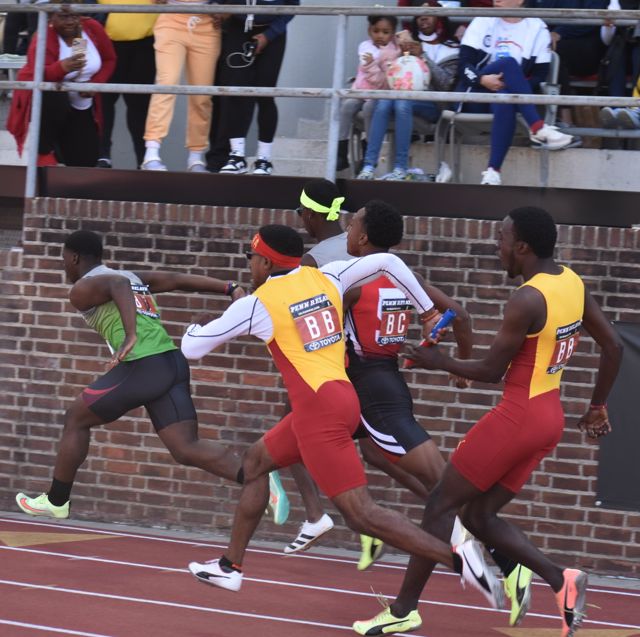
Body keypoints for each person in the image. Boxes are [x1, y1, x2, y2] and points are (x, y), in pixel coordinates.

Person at [181, 223, 504, 610]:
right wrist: (429, 311)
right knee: (255, 462)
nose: (249, 265)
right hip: (338, 399)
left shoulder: (256, 304)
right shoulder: (328, 276)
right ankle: (229, 566)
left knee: (361, 514)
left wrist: (193, 327)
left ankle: (461, 562)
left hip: (320, 412)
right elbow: (387, 261)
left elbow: (192, 349)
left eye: (250, 258)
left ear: (264, 261)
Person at [358, 207, 623, 637]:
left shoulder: (527, 299)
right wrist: (597, 406)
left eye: (500, 239)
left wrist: (438, 360)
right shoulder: (570, 282)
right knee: (479, 516)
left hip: (517, 417)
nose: (495, 247)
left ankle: (405, 607)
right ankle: (561, 580)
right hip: (547, 418)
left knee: (438, 505)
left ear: (521, 246)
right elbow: (613, 346)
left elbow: (492, 371)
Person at [15, 230, 289, 524]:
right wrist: (229, 287)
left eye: (64, 260)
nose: (64, 266)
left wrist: (130, 334)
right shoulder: (131, 276)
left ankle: (57, 501)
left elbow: (117, 285)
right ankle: (257, 474)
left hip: (143, 365)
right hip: (171, 363)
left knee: (75, 418)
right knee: (185, 448)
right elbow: (173, 279)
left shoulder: (83, 288)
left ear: (74, 258)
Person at [455, 0, 577, 186]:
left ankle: (492, 173)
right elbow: (463, 67)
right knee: (509, 64)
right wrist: (482, 80)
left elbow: (539, 76)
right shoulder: (482, 20)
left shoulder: (536, 27)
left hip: (508, 97)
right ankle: (537, 127)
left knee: (505, 98)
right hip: (475, 93)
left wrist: (510, 85)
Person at [357, 1, 459, 181]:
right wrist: (402, 47)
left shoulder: (452, 46)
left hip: (433, 103)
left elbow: (446, 84)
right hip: (400, 96)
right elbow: (393, 72)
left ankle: (400, 167)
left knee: (400, 101)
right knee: (384, 100)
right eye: (419, 14)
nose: (423, 18)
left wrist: (422, 55)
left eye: (429, 13)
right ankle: (368, 165)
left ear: (440, 17)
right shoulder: (406, 43)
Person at [7, 2, 116, 167]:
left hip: (82, 102)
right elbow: (37, 72)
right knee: (53, 93)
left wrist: (95, 83)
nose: (70, 21)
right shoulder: (44, 35)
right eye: (64, 17)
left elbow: (109, 59)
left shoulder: (91, 28)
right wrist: (62, 68)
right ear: (51, 17)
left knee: (86, 159)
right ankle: (44, 151)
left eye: (74, 16)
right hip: (51, 104)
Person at [214, 0, 299, 176]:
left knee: (265, 94)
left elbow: (292, 6)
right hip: (238, 29)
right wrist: (219, 8)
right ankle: (237, 156)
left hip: (272, 33)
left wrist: (269, 35)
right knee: (235, 93)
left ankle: (264, 159)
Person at [140, 0, 223, 172]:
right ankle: (151, 153)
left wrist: (220, 6)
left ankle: (196, 157)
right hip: (172, 17)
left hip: (207, 22)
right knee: (166, 84)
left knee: (202, 94)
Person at [96, 0, 157, 169]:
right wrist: (79, 50)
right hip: (105, 43)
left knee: (140, 107)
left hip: (145, 43)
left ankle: (144, 161)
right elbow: (81, 15)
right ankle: (102, 156)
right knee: (103, 103)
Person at [336, 14, 400, 172]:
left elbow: (384, 81)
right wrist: (375, 65)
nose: (380, 36)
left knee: (369, 109)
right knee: (347, 106)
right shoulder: (365, 46)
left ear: (392, 34)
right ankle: (341, 152)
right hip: (360, 90)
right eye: (376, 31)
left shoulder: (394, 52)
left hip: (379, 94)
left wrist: (372, 64)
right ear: (369, 31)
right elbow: (370, 70)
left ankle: (369, 153)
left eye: (385, 32)